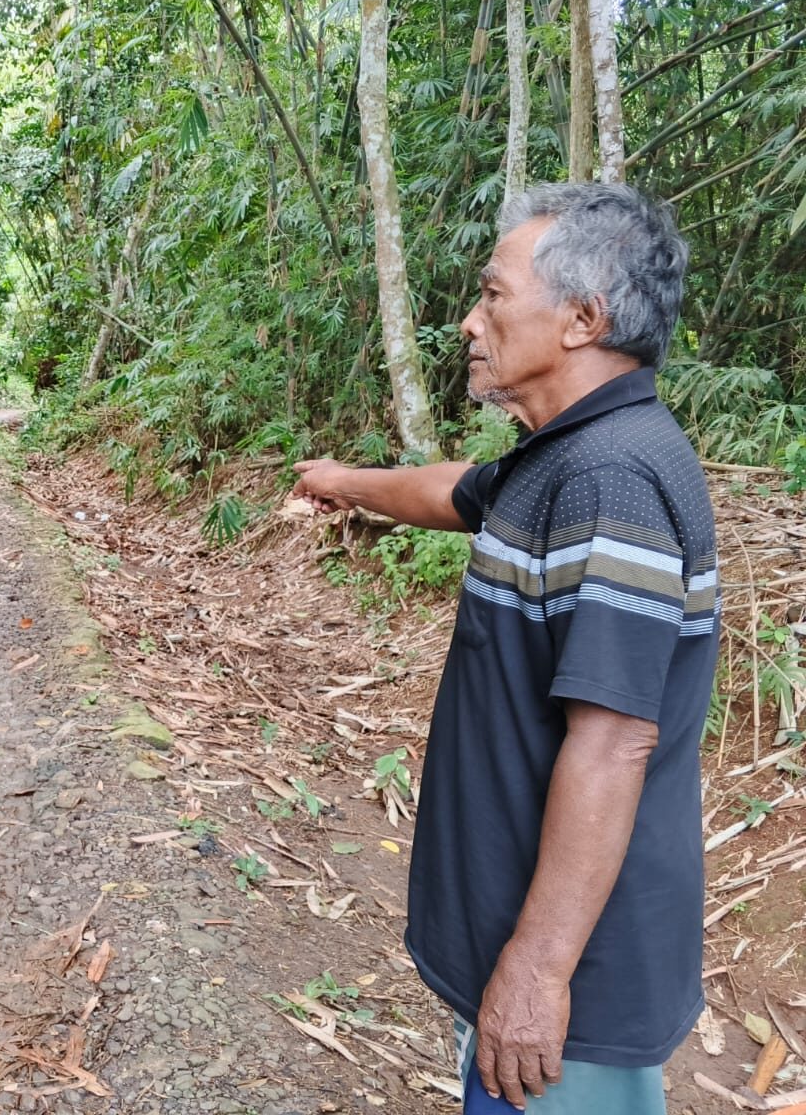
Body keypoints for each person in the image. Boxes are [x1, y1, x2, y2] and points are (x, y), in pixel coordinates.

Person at [292, 183, 718, 1115]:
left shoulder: (615, 479)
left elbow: (613, 742)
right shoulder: (560, 455)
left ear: (582, 318)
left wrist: (537, 968)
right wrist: (344, 482)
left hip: (573, 989)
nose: (469, 322)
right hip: (521, 946)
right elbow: (455, 494)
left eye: (492, 295)